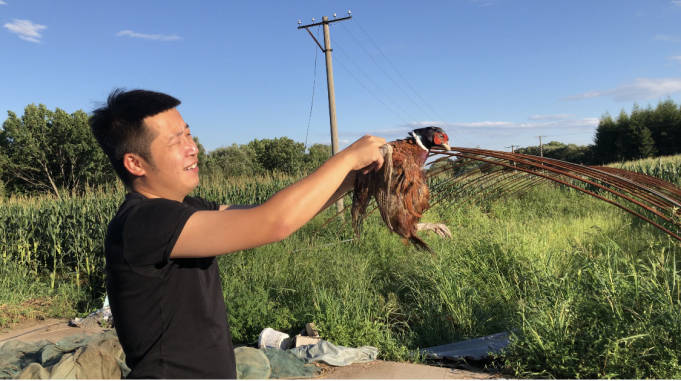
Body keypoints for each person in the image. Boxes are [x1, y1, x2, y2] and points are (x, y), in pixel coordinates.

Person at [89, 89, 386, 379]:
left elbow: (268, 213)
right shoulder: (142, 222)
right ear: (135, 163)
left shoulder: (185, 208)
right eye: (175, 142)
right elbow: (272, 222)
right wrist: (347, 158)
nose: (193, 148)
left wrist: (352, 180)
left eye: (188, 134)